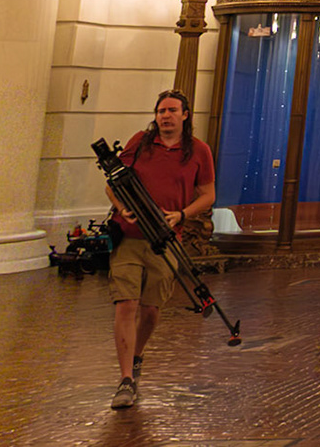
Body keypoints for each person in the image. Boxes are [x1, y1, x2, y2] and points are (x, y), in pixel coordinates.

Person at [105, 90, 214, 410]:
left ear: (185, 115)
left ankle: (136, 356)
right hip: (129, 236)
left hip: (165, 241)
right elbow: (112, 182)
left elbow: (208, 195)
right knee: (126, 303)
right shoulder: (139, 142)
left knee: (151, 310)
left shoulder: (199, 151)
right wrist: (120, 206)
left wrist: (181, 215)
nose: (165, 116)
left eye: (171, 110)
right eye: (160, 110)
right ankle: (125, 379)